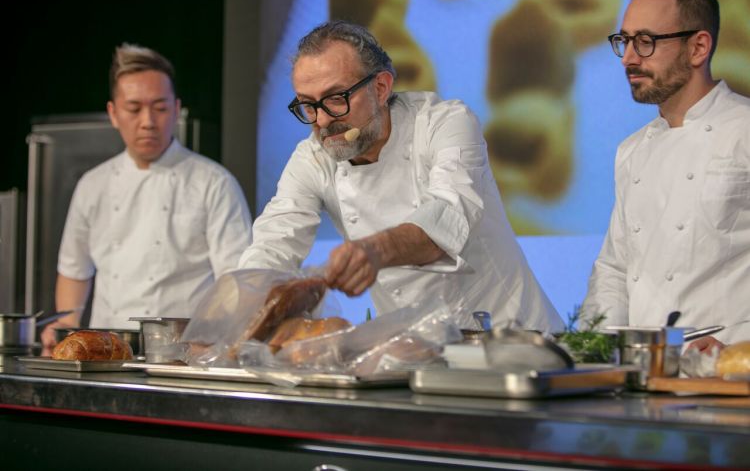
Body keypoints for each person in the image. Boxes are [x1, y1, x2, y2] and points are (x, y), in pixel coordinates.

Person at [238, 20, 564, 333]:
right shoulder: (312, 158)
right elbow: (274, 241)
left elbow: (447, 219)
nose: (322, 121)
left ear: (380, 88)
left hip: (512, 338)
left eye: (336, 98)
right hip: (414, 350)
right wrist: (242, 304)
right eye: (308, 105)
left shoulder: (444, 123)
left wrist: (375, 251)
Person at [41, 43, 253, 351]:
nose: (148, 121)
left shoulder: (214, 183)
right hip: (107, 352)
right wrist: (66, 324)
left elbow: (235, 281)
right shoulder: (93, 184)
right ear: (113, 113)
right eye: (134, 108)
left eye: (160, 108)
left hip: (183, 353)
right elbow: (75, 270)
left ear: (177, 109)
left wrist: (215, 333)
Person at [582, 0, 750, 350]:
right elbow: (614, 268)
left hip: (733, 379)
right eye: (624, 41)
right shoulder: (632, 150)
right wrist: (600, 351)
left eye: (645, 42)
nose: (627, 58)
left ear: (698, 47)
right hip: (651, 377)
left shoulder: (744, 130)